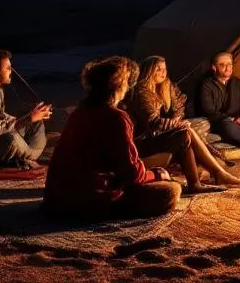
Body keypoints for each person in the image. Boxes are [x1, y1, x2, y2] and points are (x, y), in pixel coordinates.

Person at [43, 57, 183, 220]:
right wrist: (156, 174)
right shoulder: (116, 117)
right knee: (172, 190)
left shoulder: (78, 112)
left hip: (58, 198)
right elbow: (132, 175)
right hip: (91, 199)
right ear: (118, 85)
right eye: (126, 81)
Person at [128, 55, 240, 189]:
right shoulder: (141, 92)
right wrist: (176, 124)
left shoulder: (166, 86)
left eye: (164, 69)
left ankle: (203, 179)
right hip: (145, 140)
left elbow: (179, 103)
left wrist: (176, 119)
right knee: (187, 131)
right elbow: (154, 122)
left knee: (199, 124)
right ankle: (215, 174)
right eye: (158, 70)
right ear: (149, 72)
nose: (163, 73)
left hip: (164, 132)